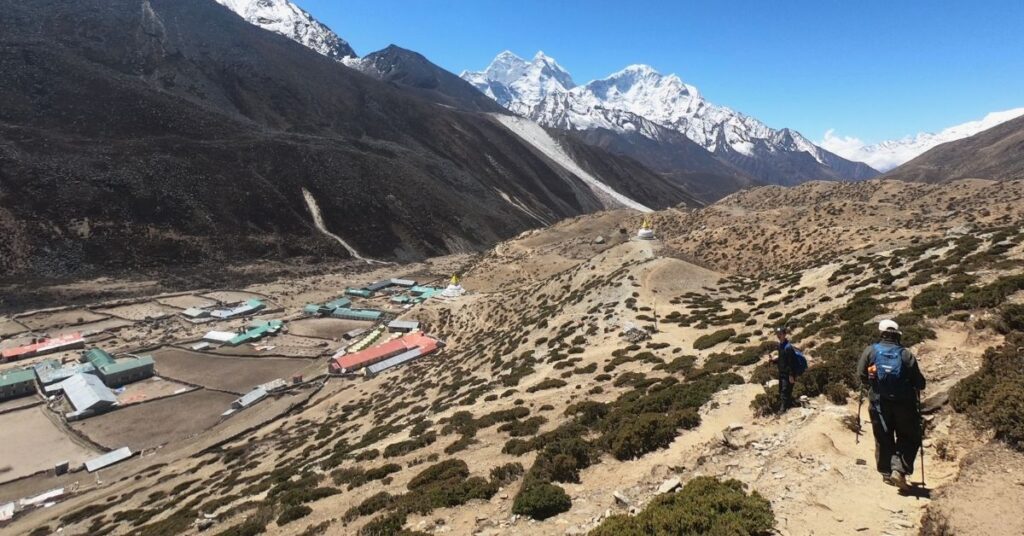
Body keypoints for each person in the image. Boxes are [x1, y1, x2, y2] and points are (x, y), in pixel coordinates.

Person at [857, 319, 926, 492]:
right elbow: (920, 382)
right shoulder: (905, 354)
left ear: (881, 333)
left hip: (879, 401)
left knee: (883, 435)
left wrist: (874, 385)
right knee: (909, 436)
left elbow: (861, 375)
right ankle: (899, 469)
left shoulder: (870, 351)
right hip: (904, 403)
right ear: (897, 335)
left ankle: (886, 472)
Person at [768, 326, 797, 413]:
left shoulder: (788, 347)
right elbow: (782, 359)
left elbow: (792, 362)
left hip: (788, 373)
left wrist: (791, 375)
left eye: (780, 334)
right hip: (782, 372)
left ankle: (783, 409)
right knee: (782, 390)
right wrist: (773, 361)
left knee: (785, 390)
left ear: (784, 334)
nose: (778, 335)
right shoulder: (780, 345)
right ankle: (788, 404)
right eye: (777, 334)